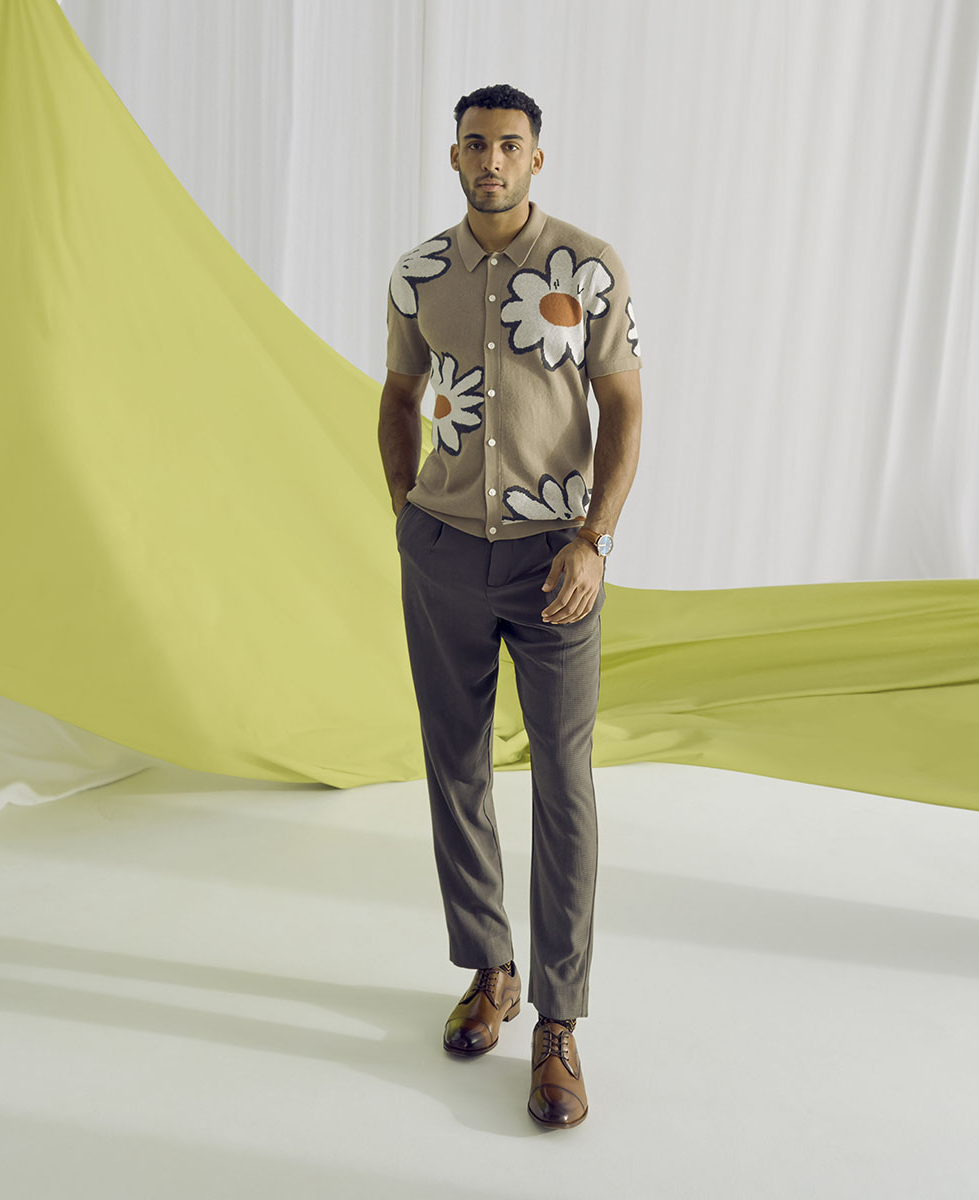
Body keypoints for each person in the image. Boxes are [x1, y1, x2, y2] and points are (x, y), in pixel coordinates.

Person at [377, 82, 642, 1130]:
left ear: (537, 158)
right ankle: (490, 969)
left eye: (510, 145)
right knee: (454, 765)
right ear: (454, 156)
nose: (492, 160)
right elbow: (399, 396)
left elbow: (623, 404)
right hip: (443, 553)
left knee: (564, 784)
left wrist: (594, 540)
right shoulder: (419, 274)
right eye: (476, 144)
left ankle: (558, 1023)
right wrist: (407, 513)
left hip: (555, 561)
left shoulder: (588, 266)